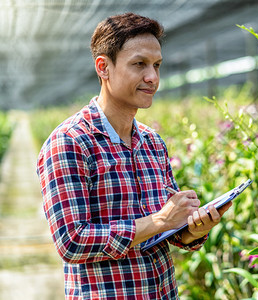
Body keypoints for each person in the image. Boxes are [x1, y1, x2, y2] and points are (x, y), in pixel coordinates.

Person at [37, 12, 232, 299]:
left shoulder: (152, 143)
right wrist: (159, 221)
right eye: (139, 64)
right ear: (103, 67)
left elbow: (169, 229)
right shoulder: (70, 142)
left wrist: (192, 227)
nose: (152, 77)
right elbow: (72, 242)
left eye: (156, 65)